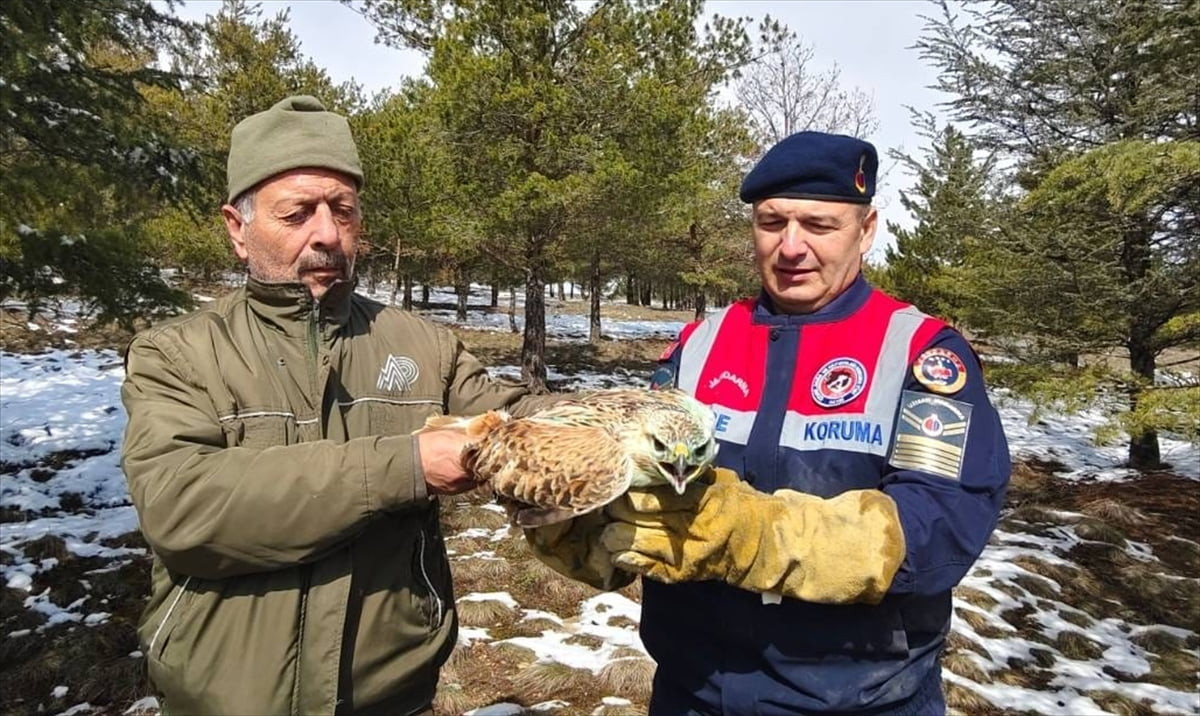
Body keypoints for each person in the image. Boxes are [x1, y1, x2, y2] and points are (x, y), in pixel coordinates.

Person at [528, 131, 1011, 714]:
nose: (791, 247)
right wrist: (588, 531)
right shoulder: (698, 348)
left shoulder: (921, 354)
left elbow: (940, 527)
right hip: (694, 691)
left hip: (859, 697)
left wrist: (760, 537)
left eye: (820, 225)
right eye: (772, 222)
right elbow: (644, 488)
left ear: (867, 229)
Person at [120, 95, 559, 715]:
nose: (327, 233)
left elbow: (518, 421)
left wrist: (625, 425)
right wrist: (404, 466)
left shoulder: (424, 346)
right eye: (297, 212)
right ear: (237, 228)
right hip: (225, 697)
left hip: (391, 691)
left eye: (343, 211)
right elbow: (184, 508)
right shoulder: (178, 354)